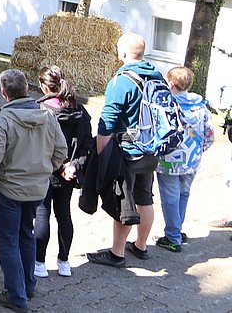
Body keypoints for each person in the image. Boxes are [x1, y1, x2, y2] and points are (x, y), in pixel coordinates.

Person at [0, 69, 67, 313]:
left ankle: (17, 296)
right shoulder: (48, 116)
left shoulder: (2, 120)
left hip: (8, 190)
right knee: (25, 235)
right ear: (27, 89)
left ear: (4, 93)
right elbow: (61, 151)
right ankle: (28, 285)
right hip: (37, 189)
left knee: (7, 242)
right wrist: (44, 171)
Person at [86, 32, 168, 268]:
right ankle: (141, 246)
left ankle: (117, 253)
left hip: (128, 151)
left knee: (124, 202)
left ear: (122, 53)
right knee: (145, 197)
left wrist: (102, 152)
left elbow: (107, 121)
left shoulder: (121, 81)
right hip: (152, 149)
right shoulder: (157, 77)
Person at [33, 64, 94, 278]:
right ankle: (64, 261)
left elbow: (37, 145)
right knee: (64, 215)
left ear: (43, 86)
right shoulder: (80, 111)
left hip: (45, 171)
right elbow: (87, 144)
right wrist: (73, 166)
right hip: (69, 173)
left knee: (42, 215)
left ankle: (39, 263)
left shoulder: (39, 110)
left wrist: (59, 166)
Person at [154, 65, 215, 252]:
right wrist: (198, 152)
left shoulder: (167, 106)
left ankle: (173, 237)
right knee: (183, 194)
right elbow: (209, 136)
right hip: (192, 161)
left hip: (168, 160)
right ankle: (177, 229)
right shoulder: (201, 107)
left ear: (170, 83)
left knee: (170, 198)